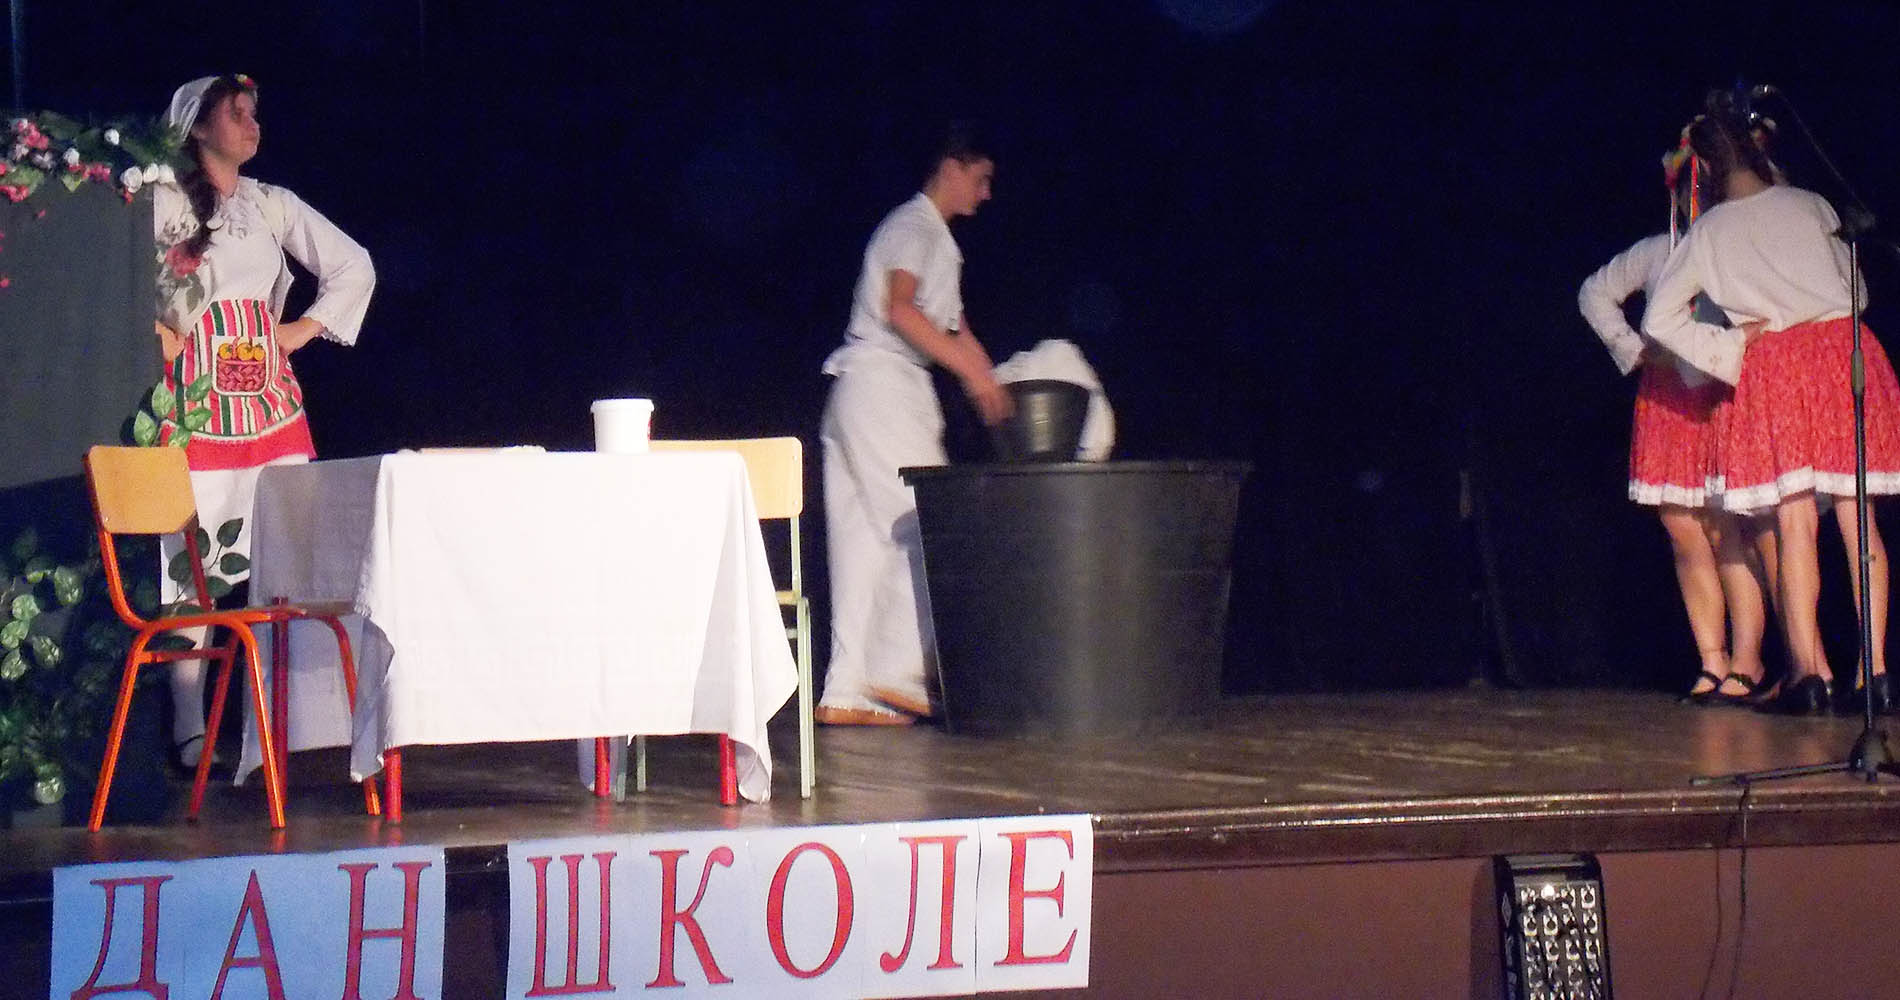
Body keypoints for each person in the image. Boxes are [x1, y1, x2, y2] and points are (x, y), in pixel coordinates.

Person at [1643, 103, 1900, 715]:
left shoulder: (1710, 232)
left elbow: (1659, 319)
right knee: (1857, 517)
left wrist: (1729, 344)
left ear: (1705, 167)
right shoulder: (1812, 205)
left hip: (1777, 365)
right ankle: (1874, 671)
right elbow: (1857, 289)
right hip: (1842, 350)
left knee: (1794, 522)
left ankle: (1809, 674)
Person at [151, 74, 375, 765]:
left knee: (292, 562)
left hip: (270, 406)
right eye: (237, 113)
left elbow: (354, 264)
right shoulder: (160, 198)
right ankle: (190, 728)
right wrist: (155, 328)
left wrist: (301, 329)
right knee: (195, 567)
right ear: (198, 127)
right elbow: (125, 277)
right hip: (197, 405)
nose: (252, 124)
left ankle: (293, 722)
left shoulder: (269, 202)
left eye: (255, 113)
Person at [814, 124, 1013, 726]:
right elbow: (900, 308)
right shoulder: (914, 225)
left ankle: (846, 690)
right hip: (883, 387)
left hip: (854, 393)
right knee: (922, 521)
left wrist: (991, 381)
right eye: (981, 179)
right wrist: (970, 375)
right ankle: (900, 671)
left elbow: (956, 329)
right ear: (952, 167)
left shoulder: (935, 240)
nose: (985, 194)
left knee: (862, 544)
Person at [1578, 146, 1767, 703]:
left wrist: (1739, 345)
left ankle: (1748, 660)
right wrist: (1635, 350)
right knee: (1683, 528)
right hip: (1666, 402)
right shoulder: (1658, 251)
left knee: (1725, 529)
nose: (1698, 198)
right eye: (1690, 187)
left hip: (1721, 395)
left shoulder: (1738, 247)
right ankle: (1711, 658)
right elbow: (1594, 292)